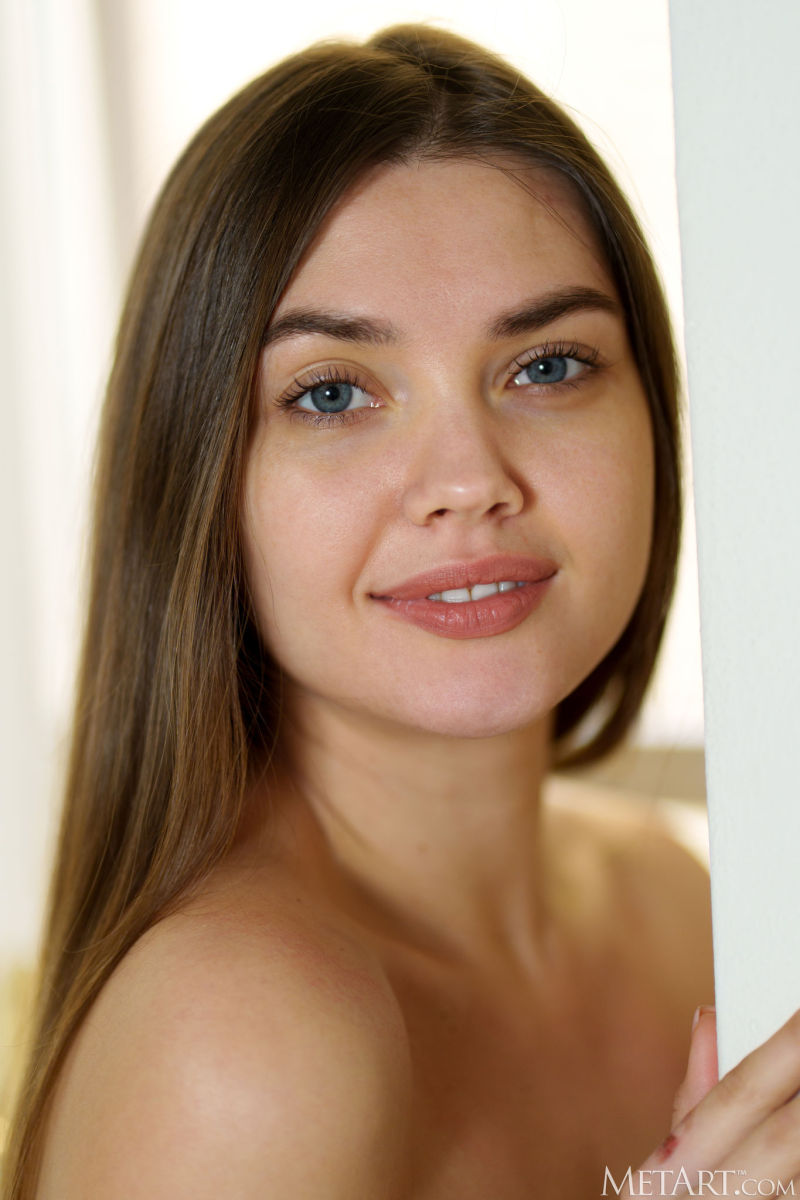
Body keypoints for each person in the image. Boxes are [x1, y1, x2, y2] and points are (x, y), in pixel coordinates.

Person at [4, 23, 799, 1200]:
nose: (467, 477)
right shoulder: (239, 1037)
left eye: (546, 365)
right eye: (331, 393)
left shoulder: (681, 907)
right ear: (200, 482)